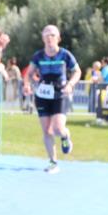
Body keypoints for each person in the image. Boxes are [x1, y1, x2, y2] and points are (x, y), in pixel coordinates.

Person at [23, 24, 80, 174]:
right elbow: (29, 73)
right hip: (42, 95)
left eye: (52, 35)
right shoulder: (38, 56)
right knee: (46, 130)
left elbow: (77, 71)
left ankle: (65, 135)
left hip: (60, 94)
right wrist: (29, 84)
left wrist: (70, 84)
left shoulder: (65, 55)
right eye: (46, 35)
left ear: (58, 38)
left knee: (57, 128)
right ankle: (53, 162)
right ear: (42, 38)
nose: (49, 38)